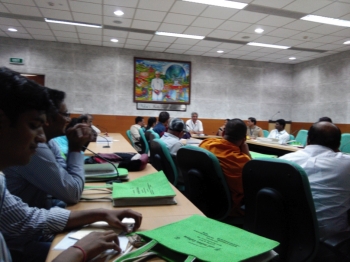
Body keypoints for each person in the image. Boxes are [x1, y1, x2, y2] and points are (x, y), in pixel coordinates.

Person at [0, 67, 142, 262]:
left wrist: (100, 213)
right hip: (22, 246)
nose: (41, 136)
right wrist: (79, 251)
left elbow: (27, 218)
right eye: (34, 125)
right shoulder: (37, 152)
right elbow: (71, 191)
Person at [4, 88, 91, 209]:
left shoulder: (50, 141)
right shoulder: (33, 147)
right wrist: (75, 148)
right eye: (34, 125)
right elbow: (72, 192)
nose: (69, 120)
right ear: (48, 119)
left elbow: (65, 176)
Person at [280, 122, 350, 239]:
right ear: (338, 144)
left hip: (287, 231)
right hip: (330, 235)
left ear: (308, 140)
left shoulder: (283, 160)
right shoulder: (347, 163)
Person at [199, 119, 251, 217]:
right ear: (244, 139)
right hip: (230, 207)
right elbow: (250, 186)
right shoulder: (242, 161)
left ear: (223, 133)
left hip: (204, 199)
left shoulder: (206, 144)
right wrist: (247, 155)